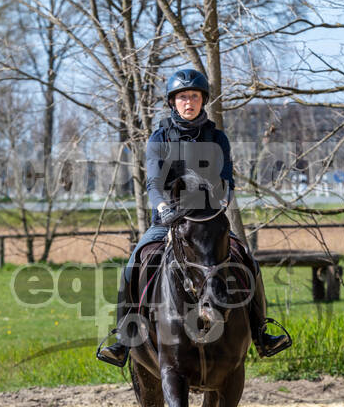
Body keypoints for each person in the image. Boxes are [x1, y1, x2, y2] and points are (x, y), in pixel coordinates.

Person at [97, 69, 290, 367]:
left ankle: (262, 334)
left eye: (195, 97)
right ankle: (124, 340)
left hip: (208, 223)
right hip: (168, 222)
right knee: (135, 262)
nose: (189, 102)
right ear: (173, 102)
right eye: (183, 97)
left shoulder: (217, 137)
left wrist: (224, 200)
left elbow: (227, 180)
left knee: (247, 260)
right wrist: (162, 208)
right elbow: (153, 184)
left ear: (203, 100)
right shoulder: (159, 138)